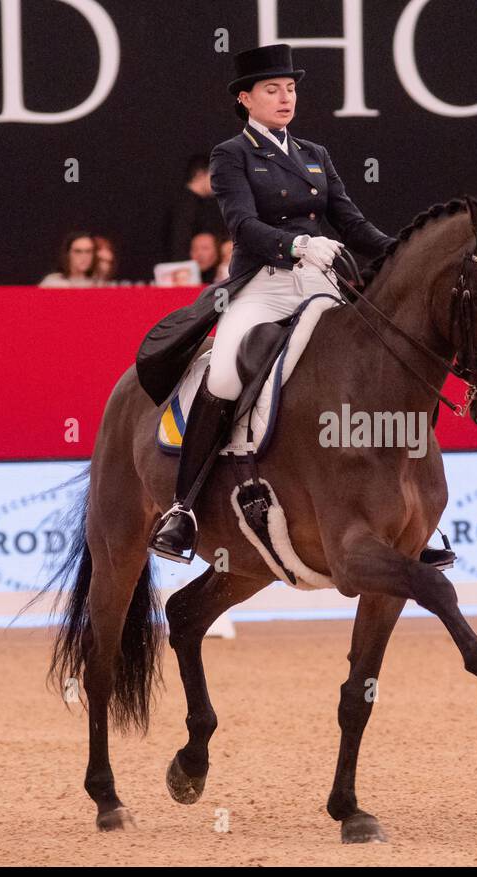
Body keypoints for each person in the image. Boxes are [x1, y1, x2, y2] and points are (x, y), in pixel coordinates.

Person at [145, 42, 397, 563]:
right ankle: (183, 509)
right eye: (272, 90)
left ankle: (413, 508)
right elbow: (242, 227)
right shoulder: (230, 155)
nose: (285, 98)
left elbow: (350, 223)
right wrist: (298, 244)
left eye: (290, 89)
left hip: (320, 284)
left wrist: (404, 252)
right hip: (263, 283)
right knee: (224, 375)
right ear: (246, 99)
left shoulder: (314, 155)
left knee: (385, 360)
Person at [163, 154, 227, 263]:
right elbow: (179, 243)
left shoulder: (195, 203)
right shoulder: (185, 204)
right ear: (200, 174)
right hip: (182, 273)